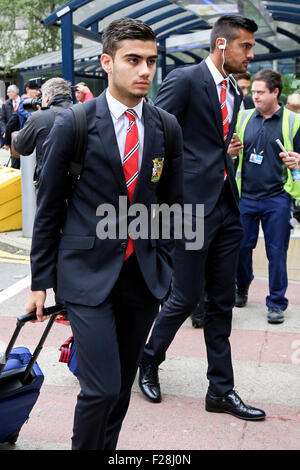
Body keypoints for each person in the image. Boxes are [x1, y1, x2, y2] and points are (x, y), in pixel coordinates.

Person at [25, 18, 183, 450]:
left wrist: (166, 266)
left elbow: (172, 204)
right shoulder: (73, 123)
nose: (145, 70)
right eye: (134, 60)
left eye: (151, 60)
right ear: (107, 63)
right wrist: (41, 281)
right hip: (84, 274)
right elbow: (50, 207)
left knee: (118, 391)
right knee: (100, 388)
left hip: (143, 278)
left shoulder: (166, 126)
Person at [139, 14, 266, 421]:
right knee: (186, 296)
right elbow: (153, 130)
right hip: (191, 206)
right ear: (223, 46)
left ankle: (221, 391)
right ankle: (148, 359)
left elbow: (209, 138)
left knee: (221, 300)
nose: (251, 54)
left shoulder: (233, 89)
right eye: (246, 46)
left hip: (228, 204)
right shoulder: (186, 79)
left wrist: (222, 152)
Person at [232, 69, 300, 324]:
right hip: (246, 196)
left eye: (261, 92)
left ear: (275, 93)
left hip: (277, 197)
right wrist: (230, 151)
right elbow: (232, 154)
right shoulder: (243, 117)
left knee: (276, 252)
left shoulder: (294, 122)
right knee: (240, 248)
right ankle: (241, 287)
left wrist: (298, 161)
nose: (255, 97)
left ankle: (277, 303)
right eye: (254, 92)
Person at [14, 77, 73, 183]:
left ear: (46, 97)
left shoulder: (39, 117)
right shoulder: (84, 113)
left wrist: (39, 115)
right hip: (81, 185)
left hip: (50, 186)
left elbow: (21, 147)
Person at [0, 84, 20, 153]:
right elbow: (2, 120)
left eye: (9, 92)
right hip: (11, 135)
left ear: (15, 92)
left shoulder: (23, 102)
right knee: (14, 159)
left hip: (23, 134)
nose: (7, 94)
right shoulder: (5, 104)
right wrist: (5, 131)